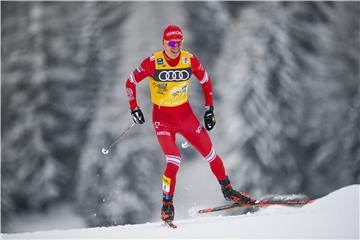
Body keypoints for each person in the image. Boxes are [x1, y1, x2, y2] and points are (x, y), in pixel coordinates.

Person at [125, 25, 253, 223]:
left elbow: (206, 80)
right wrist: (134, 107)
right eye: (171, 43)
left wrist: (209, 109)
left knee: (211, 154)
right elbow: (130, 81)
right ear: (164, 43)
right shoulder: (153, 62)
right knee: (174, 159)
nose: (175, 47)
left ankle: (228, 191)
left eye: (179, 42)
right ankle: (167, 205)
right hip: (162, 120)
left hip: (185, 116)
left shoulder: (189, 60)